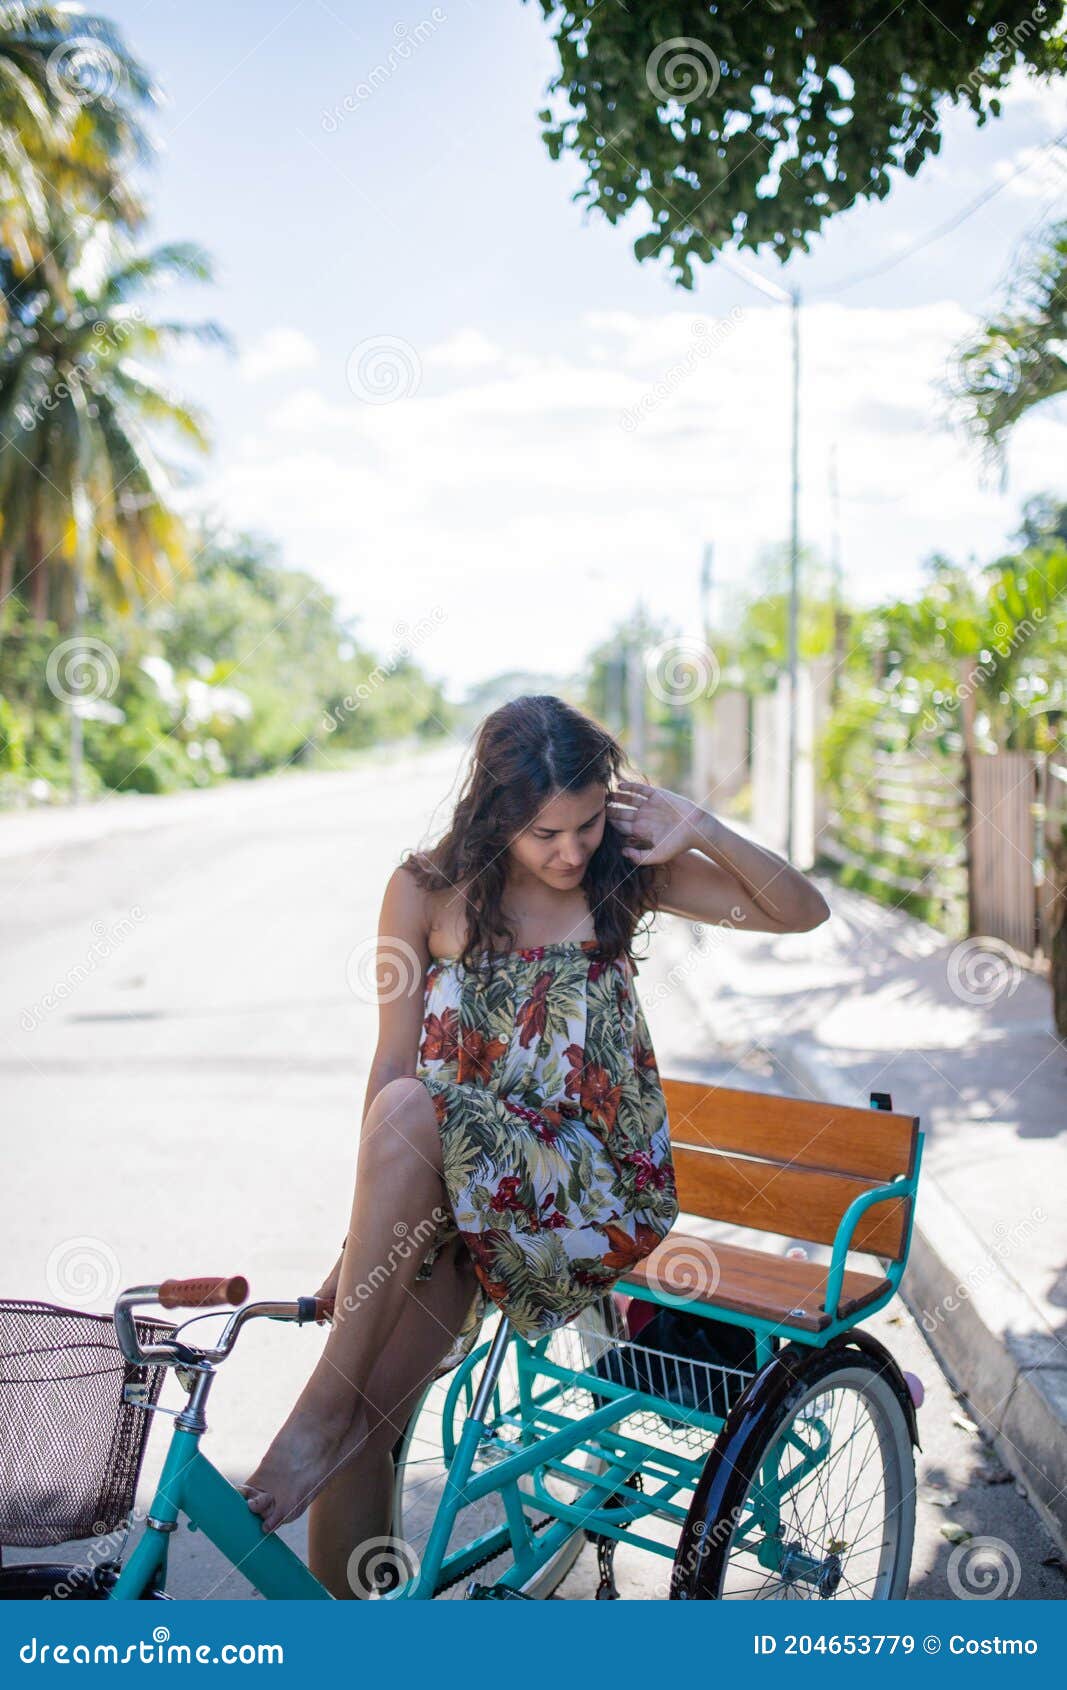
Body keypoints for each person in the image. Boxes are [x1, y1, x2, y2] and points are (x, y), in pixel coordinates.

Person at [238, 693, 830, 1597]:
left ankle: (310, 1410)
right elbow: (391, 1061)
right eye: (543, 832)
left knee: (407, 1114)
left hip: (587, 1188)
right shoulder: (423, 891)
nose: (568, 851)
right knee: (370, 1427)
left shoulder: (625, 873)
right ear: (494, 813)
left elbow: (801, 912)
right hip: (456, 1183)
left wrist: (700, 825)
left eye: (586, 823)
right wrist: (359, 1245)